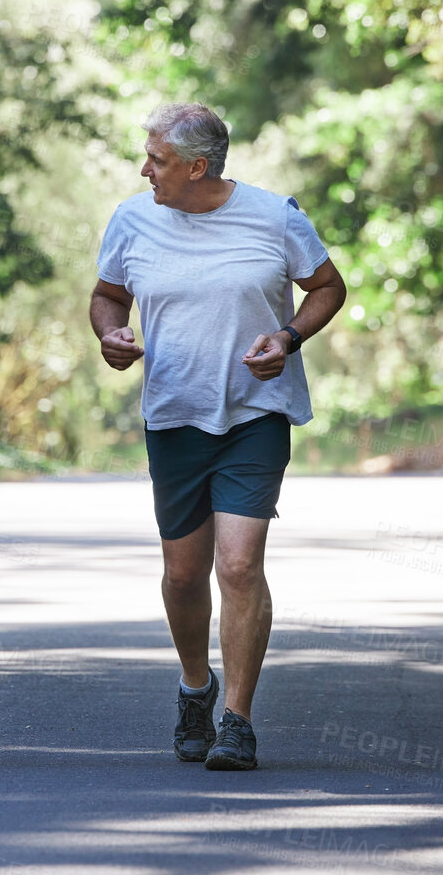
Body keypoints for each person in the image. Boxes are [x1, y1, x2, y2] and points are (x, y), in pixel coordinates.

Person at [91, 102, 347, 771]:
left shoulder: (273, 216)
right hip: (174, 413)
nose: (144, 168)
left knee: (237, 565)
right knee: (182, 574)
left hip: (254, 411)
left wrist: (289, 338)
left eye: (157, 159)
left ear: (197, 167)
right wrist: (109, 333)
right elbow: (106, 295)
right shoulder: (133, 218)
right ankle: (194, 686)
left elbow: (326, 286)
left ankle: (236, 719)